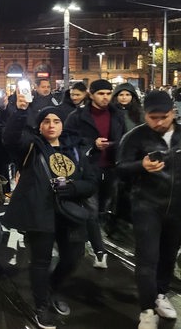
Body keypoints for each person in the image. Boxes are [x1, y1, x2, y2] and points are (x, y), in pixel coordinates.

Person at [3, 97, 97, 329]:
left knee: (73, 257)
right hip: (40, 212)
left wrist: (73, 188)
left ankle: (53, 288)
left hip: (70, 213)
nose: (51, 125)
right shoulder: (32, 145)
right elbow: (11, 138)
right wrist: (22, 111)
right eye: (46, 121)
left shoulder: (75, 149)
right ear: (40, 125)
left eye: (56, 121)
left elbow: (92, 182)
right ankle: (41, 306)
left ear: (63, 125)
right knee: (41, 262)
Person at [116, 90, 181, 329]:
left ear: (173, 113)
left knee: (168, 256)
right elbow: (120, 168)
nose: (159, 122)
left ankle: (161, 294)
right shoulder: (134, 137)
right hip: (146, 205)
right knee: (147, 259)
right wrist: (140, 165)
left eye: (164, 116)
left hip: (177, 208)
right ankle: (147, 309)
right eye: (153, 117)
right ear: (145, 115)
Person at [64, 79, 125, 269]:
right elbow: (67, 139)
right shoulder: (77, 116)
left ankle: (89, 236)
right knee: (91, 208)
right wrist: (92, 144)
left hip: (111, 169)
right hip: (88, 169)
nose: (105, 97)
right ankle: (99, 250)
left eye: (108, 93)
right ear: (92, 95)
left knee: (101, 210)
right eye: (101, 93)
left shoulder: (117, 115)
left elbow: (123, 138)